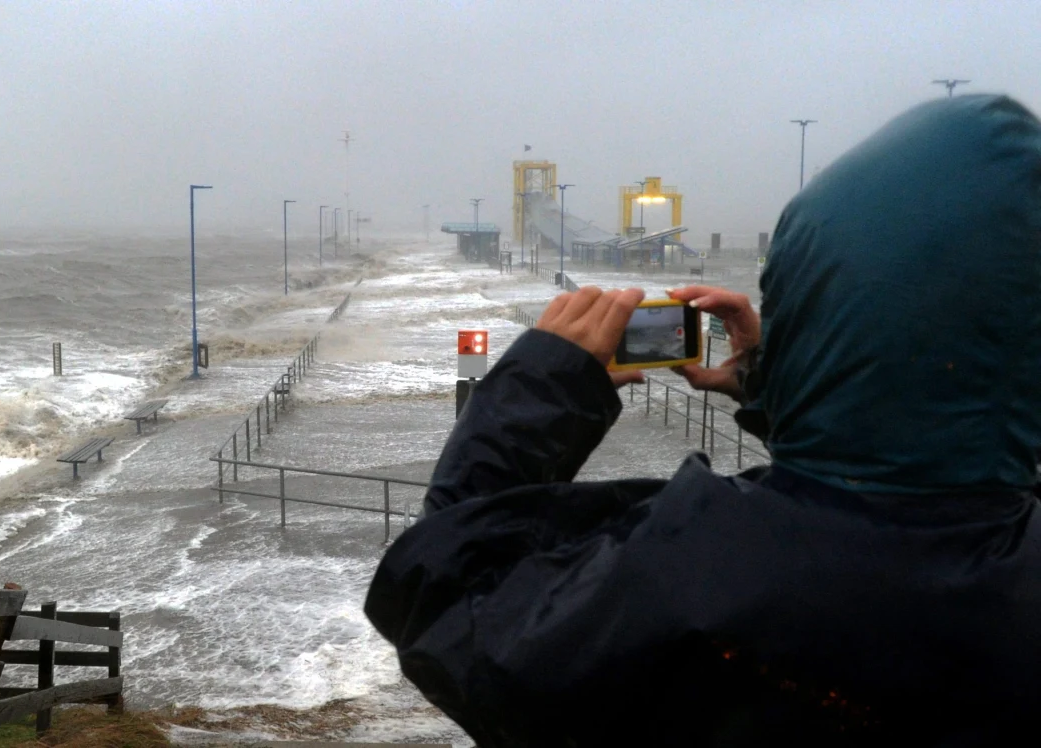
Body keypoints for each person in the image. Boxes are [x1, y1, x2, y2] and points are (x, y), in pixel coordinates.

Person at [365, 94, 1041, 746]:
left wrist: (538, 392)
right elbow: (921, 452)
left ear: (811, 306)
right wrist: (776, 390)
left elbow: (453, 601)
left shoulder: (687, 577)